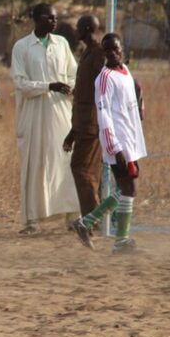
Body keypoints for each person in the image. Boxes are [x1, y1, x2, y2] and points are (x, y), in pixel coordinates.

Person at [73, 33, 146, 253]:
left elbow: (132, 93)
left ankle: (85, 223)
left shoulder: (124, 71)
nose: (112, 53)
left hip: (129, 139)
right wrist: (114, 148)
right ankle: (120, 241)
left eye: (115, 49)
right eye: (107, 51)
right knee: (129, 187)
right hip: (117, 142)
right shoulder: (103, 78)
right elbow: (103, 115)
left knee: (127, 186)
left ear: (122, 49)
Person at [10, 3, 80, 233]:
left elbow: (73, 74)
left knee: (65, 161)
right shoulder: (22, 47)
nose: (53, 22)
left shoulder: (61, 44)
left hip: (60, 112)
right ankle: (31, 220)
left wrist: (68, 86)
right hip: (34, 114)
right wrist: (48, 86)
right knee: (35, 163)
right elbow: (20, 83)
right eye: (49, 18)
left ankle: (72, 216)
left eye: (55, 18)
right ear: (36, 19)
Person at [63, 14, 106, 218]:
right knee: (87, 171)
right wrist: (73, 131)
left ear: (87, 29)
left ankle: (92, 217)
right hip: (82, 124)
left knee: (82, 169)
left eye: (78, 27)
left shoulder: (98, 54)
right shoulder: (87, 52)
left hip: (91, 124)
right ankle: (92, 216)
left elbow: (102, 89)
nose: (75, 31)